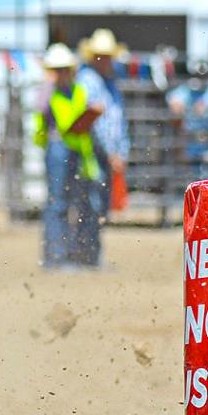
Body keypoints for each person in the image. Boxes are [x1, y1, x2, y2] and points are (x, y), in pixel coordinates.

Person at [34, 43, 102, 269]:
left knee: (75, 203)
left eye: (64, 69)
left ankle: (72, 254)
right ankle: (55, 256)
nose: (62, 73)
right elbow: (41, 113)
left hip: (77, 149)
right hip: (57, 148)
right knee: (58, 204)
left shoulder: (77, 90)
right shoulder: (49, 91)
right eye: (57, 69)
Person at [75, 28, 127, 225]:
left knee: (99, 204)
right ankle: (88, 252)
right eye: (100, 57)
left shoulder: (110, 82)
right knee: (91, 203)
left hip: (107, 153)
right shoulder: (88, 80)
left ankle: (92, 252)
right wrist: (112, 152)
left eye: (107, 57)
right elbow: (92, 121)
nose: (104, 61)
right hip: (92, 152)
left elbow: (119, 121)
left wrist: (120, 151)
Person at [166, 60, 208, 183]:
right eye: (198, 76)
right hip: (191, 142)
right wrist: (176, 103)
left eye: (203, 76)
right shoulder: (188, 91)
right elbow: (173, 97)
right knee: (192, 179)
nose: (201, 79)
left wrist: (206, 103)